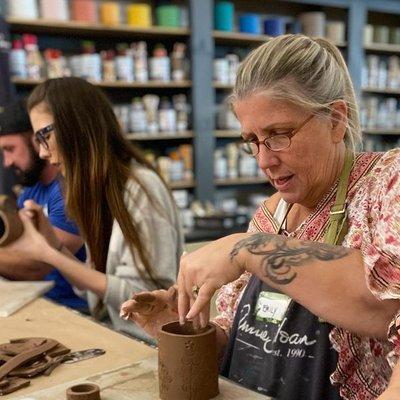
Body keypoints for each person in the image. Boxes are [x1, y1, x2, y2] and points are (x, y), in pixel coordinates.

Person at [120, 34, 400, 399]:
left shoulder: (387, 185)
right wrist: (183, 330)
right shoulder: (270, 215)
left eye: (279, 135)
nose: (264, 160)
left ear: (335, 119)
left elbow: (384, 304)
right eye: (252, 140)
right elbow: (246, 344)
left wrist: (249, 248)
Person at [2, 77, 184, 343]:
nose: (42, 152)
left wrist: (49, 256)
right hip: (116, 336)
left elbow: (143, 298)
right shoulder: (95, 191)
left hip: (150, 346)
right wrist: (54, 247)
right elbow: (94, 290)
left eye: (44, 136)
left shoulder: (141, 188)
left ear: (75, 127)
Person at [0, 99, 87, 310]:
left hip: (75, 309)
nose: (7, 162)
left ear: (36, 140)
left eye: (11, 149)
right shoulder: (31, 190)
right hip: (40, 302)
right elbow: (18, 249)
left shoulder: (68, 190)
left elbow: (38, 264)